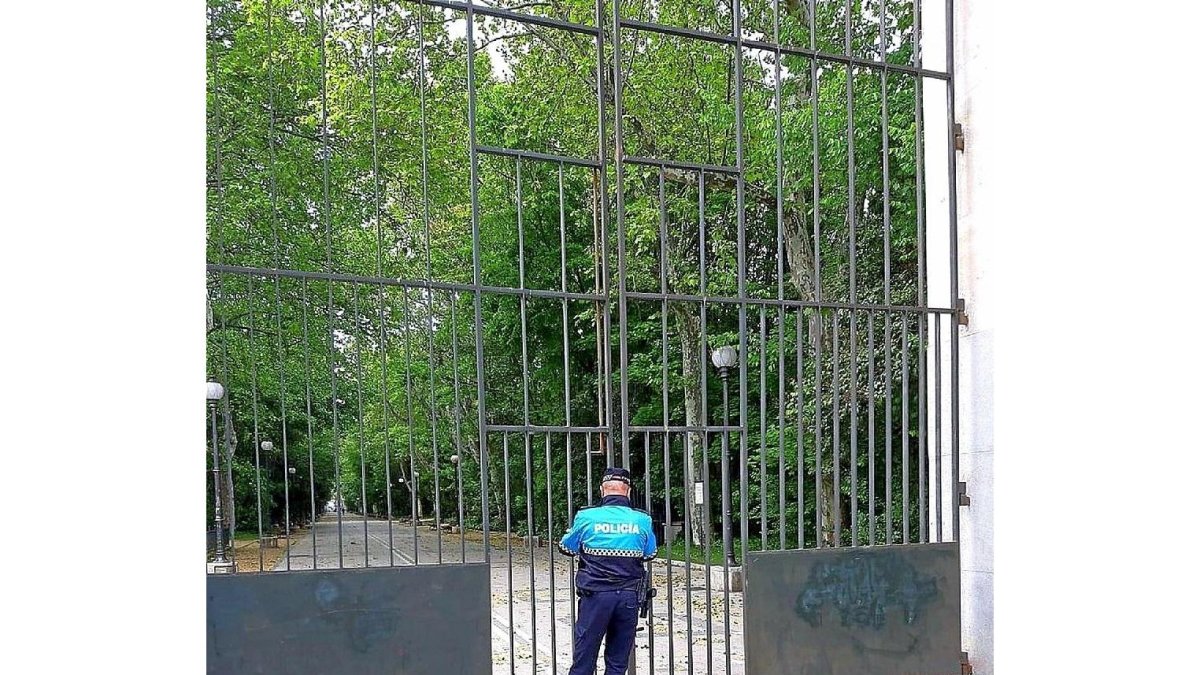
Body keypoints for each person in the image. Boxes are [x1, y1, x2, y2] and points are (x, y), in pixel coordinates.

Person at [558, 467, 657, 675]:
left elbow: (565, 547)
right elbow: (650, 554)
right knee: (618, 663)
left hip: (595, 596)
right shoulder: (642, 520)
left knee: (584, 658)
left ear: (603, 490)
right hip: (629, 598)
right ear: (628, 491)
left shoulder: (586, 517)